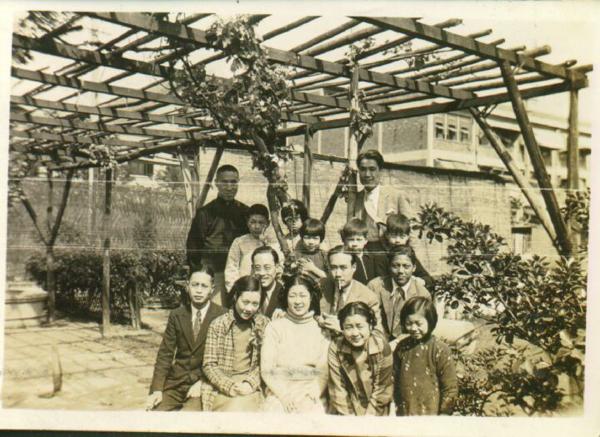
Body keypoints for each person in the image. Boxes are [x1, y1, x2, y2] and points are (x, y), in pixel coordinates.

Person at [146, 266, 226, 411]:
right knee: (154, 415)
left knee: (187, 418)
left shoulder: (222, 315)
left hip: (203, 385)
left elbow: (223, 360)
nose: (199, 290)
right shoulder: (177, 315)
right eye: (195, 285)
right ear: (187, 286)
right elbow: (165, 354)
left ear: (212, 289)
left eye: (204, 286)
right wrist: (157, 389)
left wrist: (203, 382)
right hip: (176, 383)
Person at [260, 275, 330, 414]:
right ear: (286, 298)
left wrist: (313, 393)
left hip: (310, 391)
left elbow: (323, 372)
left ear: (311, 297)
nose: (298, 301)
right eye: (292, 296)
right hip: (279, 392)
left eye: (303, 296)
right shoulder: (274, 327)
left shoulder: (321, 329)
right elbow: (267, 370)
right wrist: (284, 396)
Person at [201, 275, 269, 412]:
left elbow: (266, 363)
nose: (249, 308)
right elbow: (209, 364)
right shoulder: (218, 324)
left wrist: (250, 384)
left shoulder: (265, 324)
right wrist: (229, 386)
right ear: (235, 297)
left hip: (250, 385)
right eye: (245, 302)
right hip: (222, 384)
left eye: (255, 304)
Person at [186, 165, 249, 306]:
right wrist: (200, 275)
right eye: (224, 182)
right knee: (216, 313)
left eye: (233, 182)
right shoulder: (205, 213)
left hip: (240, 273)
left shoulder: (245, 212)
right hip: (216, 273)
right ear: (216, 183)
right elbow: (193, 248)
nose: (229, 187)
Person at [394, 296, 457, 416]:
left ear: (430, 321)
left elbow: (450, 388)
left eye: (419, 324)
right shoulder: (402, 347)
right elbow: (393, 378)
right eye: (409, 323)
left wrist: (444, 414)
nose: (413, 328)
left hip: (431, 414)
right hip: (404, 412)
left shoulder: (440, 349)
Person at [328, 301, 393, 416]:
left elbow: (382, 389)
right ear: (342, 328)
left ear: (370, 326)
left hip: (377, 410)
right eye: (348, 327)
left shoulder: (381, 346)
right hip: (348, 409)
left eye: (360, 326)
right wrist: (351, 419)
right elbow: (337, 388)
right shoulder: (336, 347)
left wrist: (367, 420)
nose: (355, 333)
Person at [368, 245, 431, 349]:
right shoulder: (375, 286)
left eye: (406, 266)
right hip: (376, 343)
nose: (401, 271)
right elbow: (369, 318)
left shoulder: (422, 294)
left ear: (414, 268)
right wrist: (381, 343)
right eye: (396, 266)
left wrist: (397, 342)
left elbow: (421, 327)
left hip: (408, 345)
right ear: (389, 266)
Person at [351, 149, 413, 251]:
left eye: (372, 169)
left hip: (389, 252)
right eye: (363, 169)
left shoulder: (397, 195)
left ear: (380, 171)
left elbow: (411, 230)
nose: (367, 174)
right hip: (364, 252)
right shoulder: (356, 198)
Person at [317, 245, 381, 335]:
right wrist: (317, 319)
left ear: (354, 267)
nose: (338, 274)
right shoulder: (320, 286)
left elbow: (377, 334)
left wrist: (343, 329)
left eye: (343, 268)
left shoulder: (368, 298)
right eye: (333, 267)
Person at [224, 203, 280, 292]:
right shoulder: (239, 242)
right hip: (246, 289)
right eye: (253, 222)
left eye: (261, 222)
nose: (257, 226)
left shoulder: (274, 243)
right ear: (247, 222)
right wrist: (234, 291)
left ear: (268, 223)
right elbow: (231, 269)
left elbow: (279, 267)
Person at [370, 213, 433, 288]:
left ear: (407, 237)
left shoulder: (407, 253)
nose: (397, 240)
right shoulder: (381, 256)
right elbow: (381, 281)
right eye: (393, 236)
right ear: (387, 235)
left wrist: (422, 281)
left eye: (402, 237)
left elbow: (427, 278)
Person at [340, 218, 385, 285]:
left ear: (365, 240)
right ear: (345, 240)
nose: (355, 244)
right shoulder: (345, 258)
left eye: (359, 240)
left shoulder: (372, 257)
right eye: (351, 239)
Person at [251, 246, 285, 318]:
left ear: (277, 267)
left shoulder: (285, 293)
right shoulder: (248, 292)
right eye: (257, 268)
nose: (262, 273)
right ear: (252, 268)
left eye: (267, 268)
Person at [295, 218, 328, 282]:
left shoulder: (324, 256)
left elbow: (331, 278)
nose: (311, 242)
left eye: (315, 238)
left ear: (321, 240)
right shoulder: (296, 255)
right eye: (307, 238)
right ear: (302, 239)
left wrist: (313, 269)